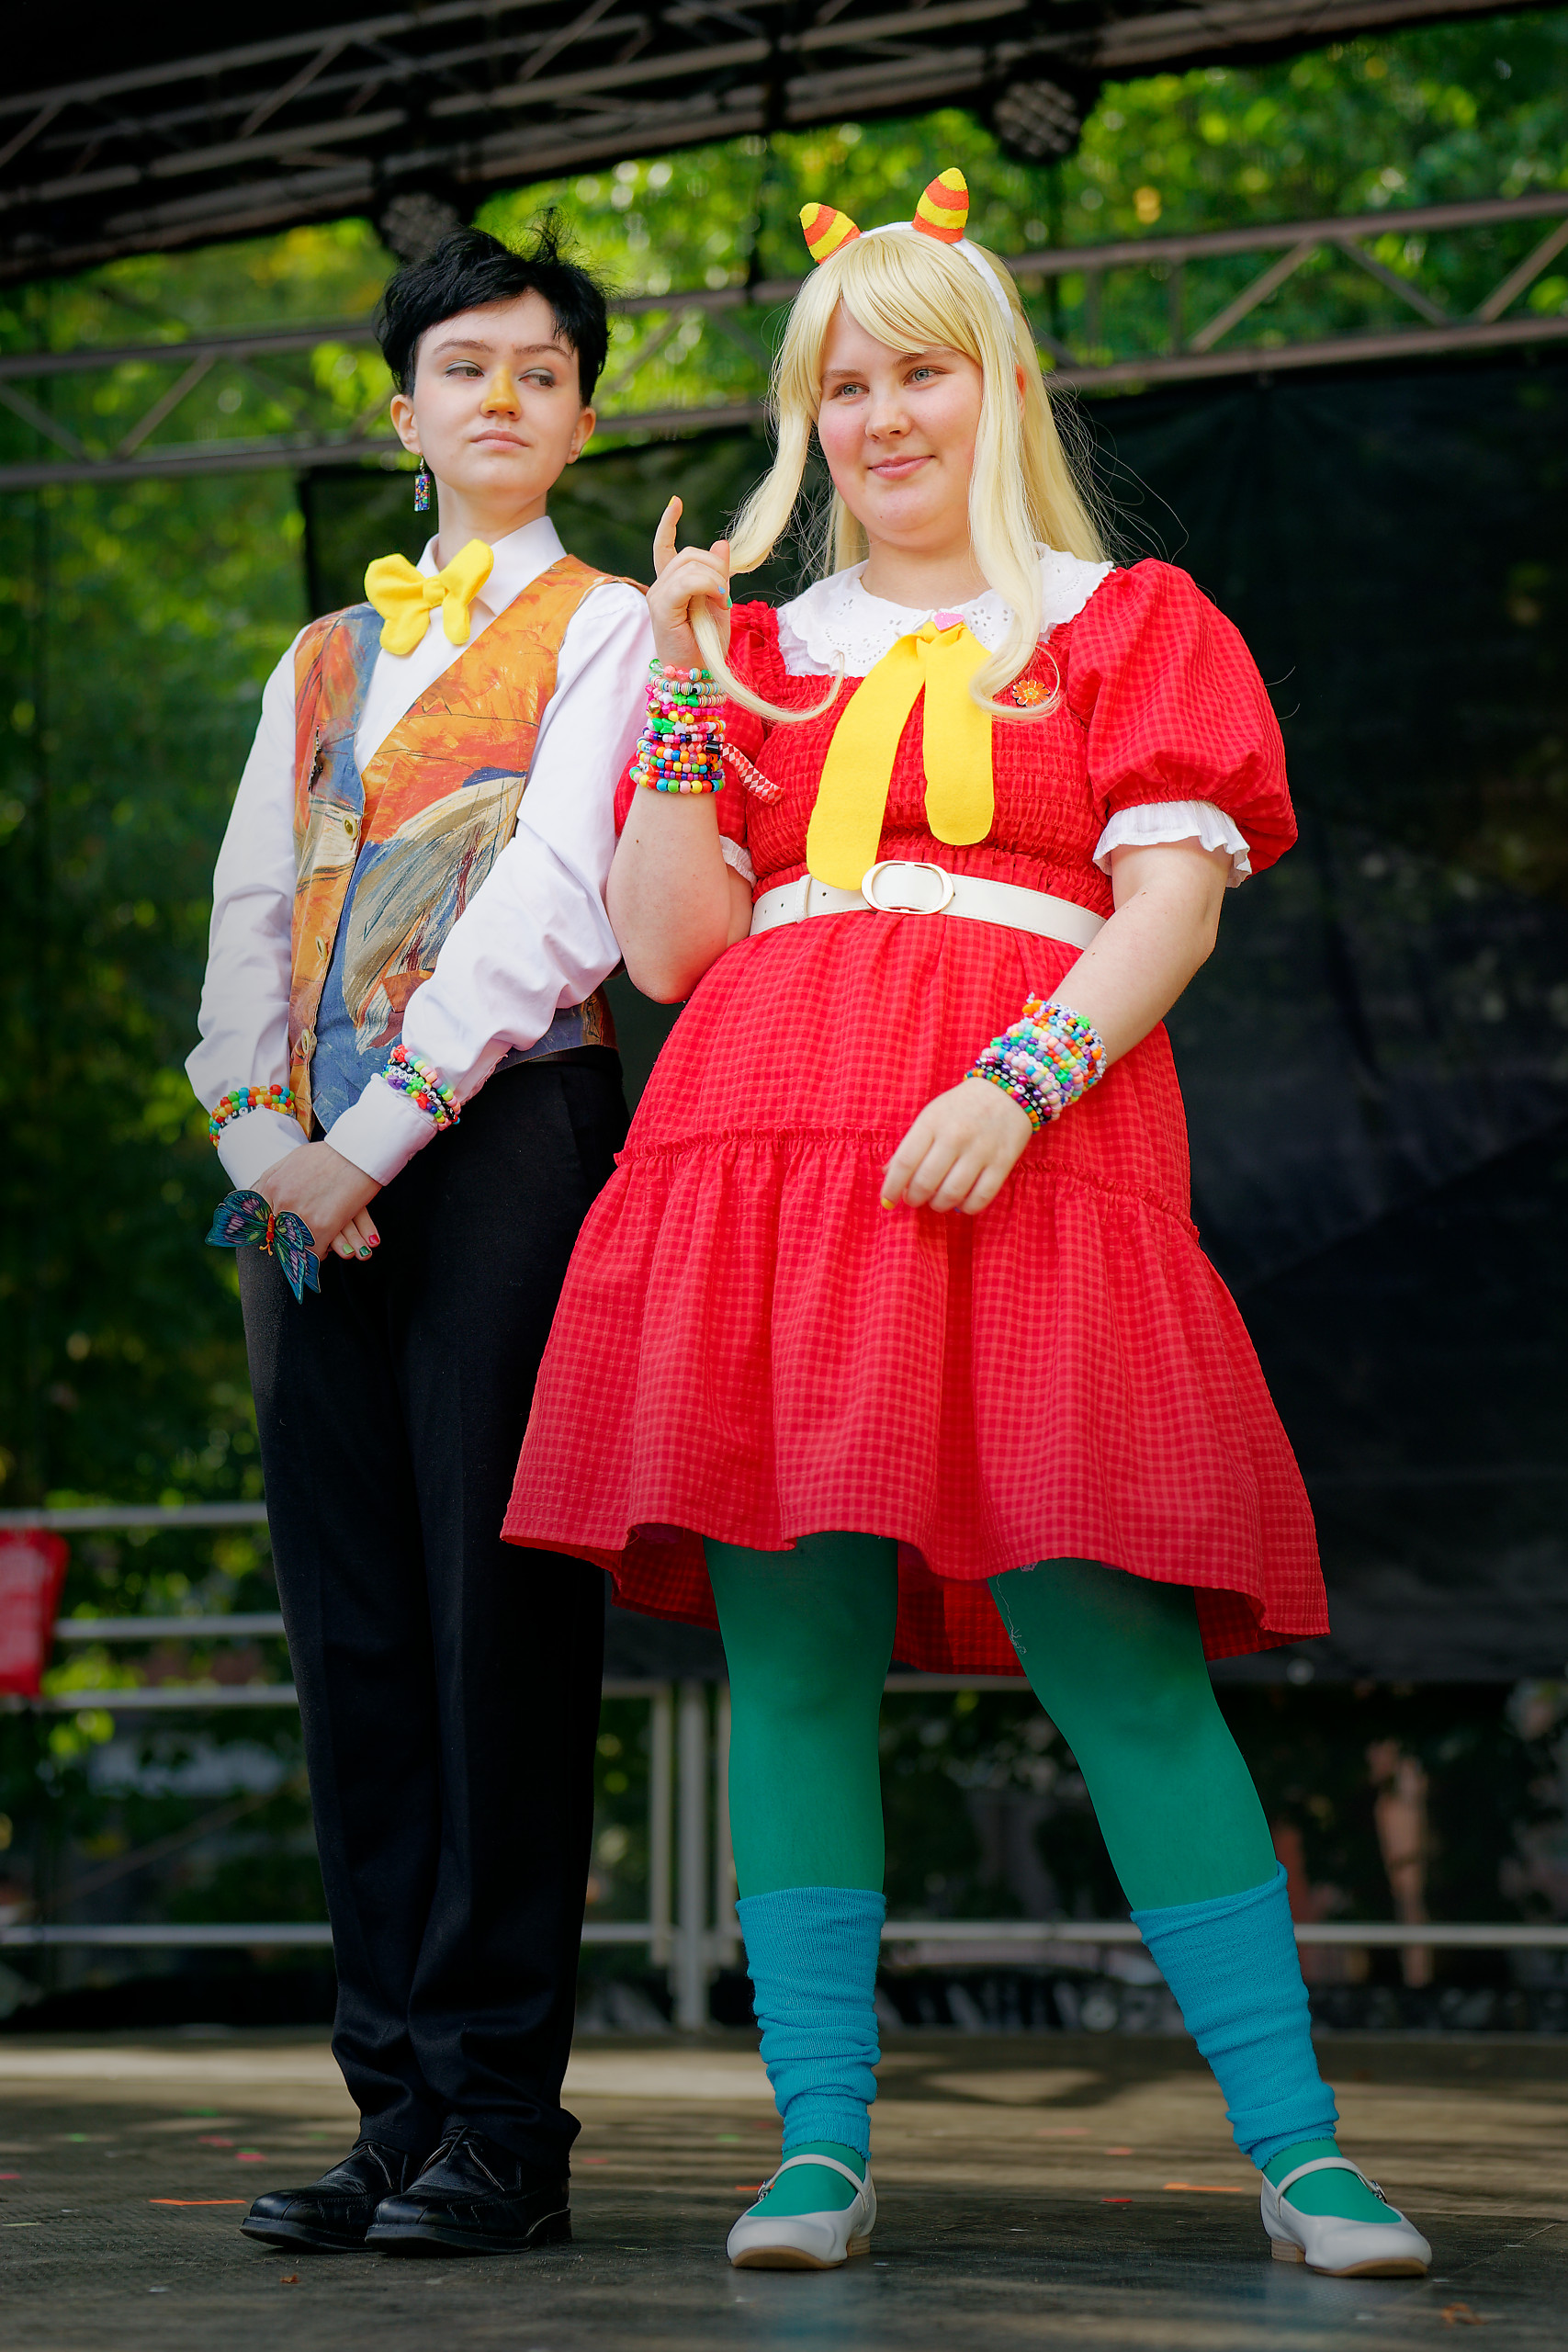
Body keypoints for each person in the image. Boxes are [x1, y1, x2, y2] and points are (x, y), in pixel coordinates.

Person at [502, 172, 1433, 2281]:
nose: (880, 416)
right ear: (806, 419)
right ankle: (814, 2146)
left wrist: (1017, 1078)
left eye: (917, 372)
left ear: (996, 383)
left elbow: (1167, 904)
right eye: (841, 386)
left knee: (1117, 1651)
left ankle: (1298, 2152)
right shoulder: (750, 651)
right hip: (757, 1156)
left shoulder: (1128, 623)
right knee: (792, 1657)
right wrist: (678, 685)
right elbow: (667, 949)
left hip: (1025, 1156)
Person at [186, 220, 650, 2256]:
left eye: (542, 370)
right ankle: (390, 2107)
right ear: (404, 412)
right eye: (466, 365)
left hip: (503, 1145)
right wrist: (257, 1129)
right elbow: (243, 911)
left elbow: (559, 902)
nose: (502, 396)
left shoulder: (613, 626)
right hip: (298, 1178)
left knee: (495, 1628)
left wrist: (366, 1139)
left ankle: (500, 2122)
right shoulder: (317, 655)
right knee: (354, 1635)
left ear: (580, 419)